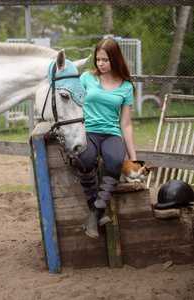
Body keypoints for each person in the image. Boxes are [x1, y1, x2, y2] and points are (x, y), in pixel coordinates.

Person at [78, 37, 137, 240]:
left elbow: (126, 124)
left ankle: (94, 216)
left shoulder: (126, 87)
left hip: (112, 133)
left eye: (105, 60)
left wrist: (134, 158)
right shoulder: (86, 78)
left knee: (114, 161)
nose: (100, 64)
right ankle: (96, 213)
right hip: (88, 131)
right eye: (98, 59)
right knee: (85, 159)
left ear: (115, 59)